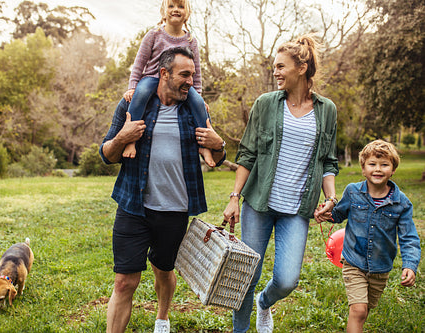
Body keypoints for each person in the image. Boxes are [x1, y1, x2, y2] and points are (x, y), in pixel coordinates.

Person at [100, 46, 226, 333]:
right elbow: (107, 154)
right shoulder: (134, 105)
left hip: (174, 210)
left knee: (163, 269)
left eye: (193, 76)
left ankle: (162, 317)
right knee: (124, 282)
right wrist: (123, 137)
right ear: (164, 73)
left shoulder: (195, 111)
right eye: (184, 75)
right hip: (134, 206)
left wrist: (218, 146)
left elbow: (216, 160)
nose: (190, 82)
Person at [222, 35, 339, 333]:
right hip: (259, 204)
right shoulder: (265, 104)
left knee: (287, 279)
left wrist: (331, 197)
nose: (275, 72)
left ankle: (265, 302)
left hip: (296, 209)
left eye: (280, 66)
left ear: (301, 67)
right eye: (274, 66)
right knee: (246, 275)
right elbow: (247, 154)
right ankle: (240, 330)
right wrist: (235, 197)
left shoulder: (327, 111)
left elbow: (328, 160)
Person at [318, 140, 421, 333]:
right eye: (372, 164)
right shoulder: (352, 192)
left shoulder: (402, 203)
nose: (378, 169)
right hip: (353, 261)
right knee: (358, 310)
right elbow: (339, 214)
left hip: (380, 267)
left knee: (365, 309)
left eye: (384, 165)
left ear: (393, 169)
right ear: (363, 169)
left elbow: (409, 238)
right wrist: (325, 214)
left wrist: (410, 265)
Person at [122, 0, 217, 168]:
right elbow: (139, 63)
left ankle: (204, 145)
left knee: (198, 104)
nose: (176, 10)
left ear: (187, 12)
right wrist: (132, 86)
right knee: (140, 94)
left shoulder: (191, 40)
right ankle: (131, 140)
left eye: (180, 6)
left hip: (179, 83)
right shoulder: (154, 34)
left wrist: (199, 95)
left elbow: (196, 71)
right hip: (152, 78)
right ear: (163, 11)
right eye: (171, 6)